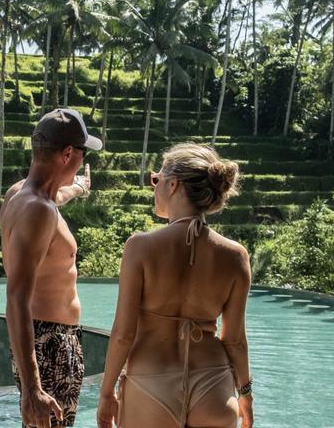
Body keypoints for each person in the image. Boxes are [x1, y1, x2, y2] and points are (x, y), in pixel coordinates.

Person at [97, 143, 254, 428]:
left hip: (151, 384)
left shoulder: (140, 248)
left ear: (173, 184)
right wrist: (245, 394)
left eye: (155, 179)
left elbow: (123, 334)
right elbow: (234, 339)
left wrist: (106, 392)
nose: (153, 187)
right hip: (213, 383)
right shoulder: (235, 255)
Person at [0, 108, 102, 428]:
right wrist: (33, 390)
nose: (84, 161)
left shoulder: (21, 194)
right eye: (83, 153)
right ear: (68, 153)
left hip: (47, 342)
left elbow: (58, 194)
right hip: (51, 345)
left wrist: (81, 187)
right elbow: (16, 299)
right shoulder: (39, 211)